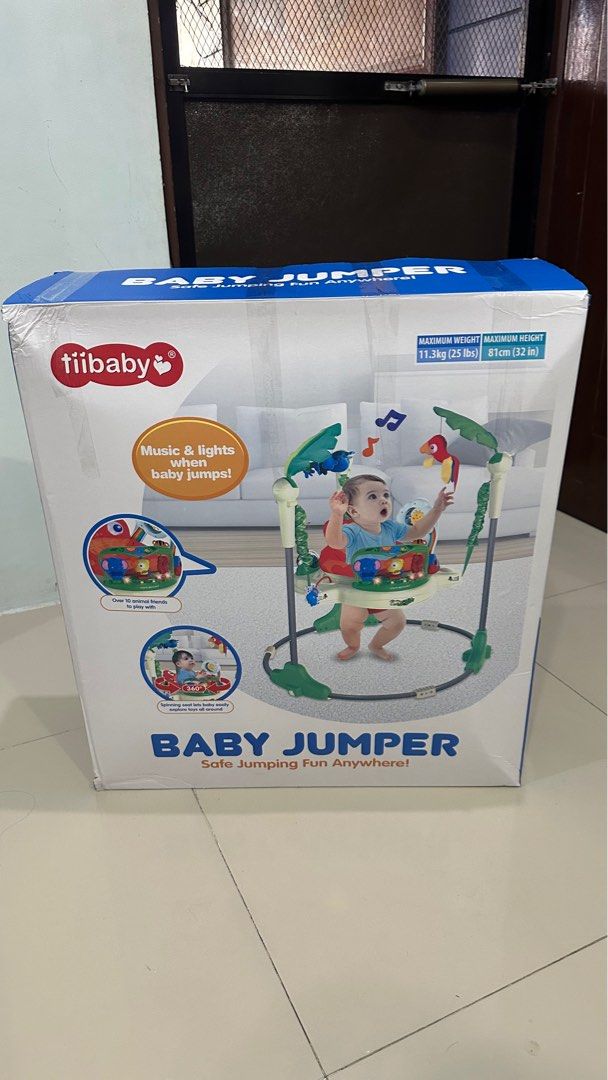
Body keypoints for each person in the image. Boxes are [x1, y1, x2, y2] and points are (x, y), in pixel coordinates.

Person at [325, 474, 452, 661]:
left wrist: (437, 510)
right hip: (358, 587)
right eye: (372, 496)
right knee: (350, 625)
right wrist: (337, 514)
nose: (383, 500)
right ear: (353, 511)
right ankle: (353, 645)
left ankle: (376, 645)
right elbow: (334, 542)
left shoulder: (391, 528)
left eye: (385, 495)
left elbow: (418, 531)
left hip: (385, 586)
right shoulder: (352, 531)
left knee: (397, 622)